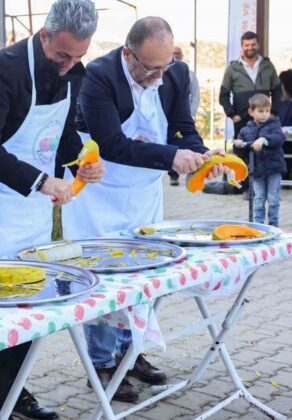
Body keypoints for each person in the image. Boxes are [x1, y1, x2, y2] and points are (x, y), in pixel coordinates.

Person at [0, 1, 103, 417]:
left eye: (78, 57)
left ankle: (16, 392)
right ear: (45, 35)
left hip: (33, 210)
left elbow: (63, 131)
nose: (69, 65)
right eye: (62, 56)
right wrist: (38, 181)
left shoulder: (76, 73)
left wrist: (83, 157)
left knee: (33, 301)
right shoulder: (4, 68)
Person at [62, 16, 227, 403]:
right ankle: (101, 364)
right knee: (106, 279)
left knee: (146, 273)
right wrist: (172, 156)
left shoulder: (175, 73)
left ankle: (130, 352)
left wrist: (200, 154)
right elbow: (113, 143)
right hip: (100, 191)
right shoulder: (99, 76)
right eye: (150, 68)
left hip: (143, 192)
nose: (159, 76)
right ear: (127, 53)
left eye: (165, 66)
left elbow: (183, 127)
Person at [220, 31, 281, 196]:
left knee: (263, 150)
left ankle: (259, 188)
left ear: (258, 45)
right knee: (242, 150)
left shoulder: (268, 66)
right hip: (242, 117)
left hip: (264, 117)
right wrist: (232, 114)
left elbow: (276, 91)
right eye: (247, 45)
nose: (250, 47)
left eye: (253, 44)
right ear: (242, 47)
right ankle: (244, 185)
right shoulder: (233, 68)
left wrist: (274, 113)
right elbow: (223, 95)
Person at [234, 94, 287, 226]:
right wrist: (238, 145)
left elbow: (279, 139)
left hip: (274, 169)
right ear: (251, 111)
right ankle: (259, 225)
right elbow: (240, 153)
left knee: (273, 198)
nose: (264, 114)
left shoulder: (274, 125)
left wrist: (265, 140)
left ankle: (274, 225)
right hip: (256, 171)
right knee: (258, 198)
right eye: (261, 111)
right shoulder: (245, 130)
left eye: (267, 111)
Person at [167, 46, 199, 185]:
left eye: (178, 53)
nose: (176, 55)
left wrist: (190, 114)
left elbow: (195, 95)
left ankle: (194, 168)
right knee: (171, 147)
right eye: (173, 53)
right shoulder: (160, 71)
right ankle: (173, 175)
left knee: (187, 144)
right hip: (167, 119)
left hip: (185, 117)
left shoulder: (187, 73)